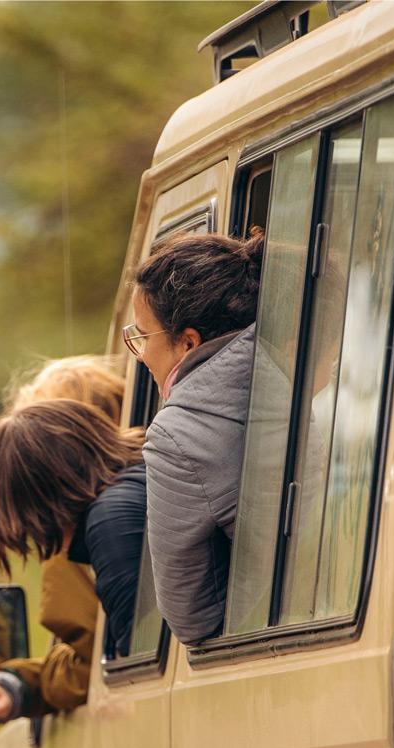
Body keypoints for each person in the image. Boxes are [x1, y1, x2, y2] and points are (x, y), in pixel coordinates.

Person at [0, 397, 145, 727]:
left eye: (38, 537)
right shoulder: (156, 479)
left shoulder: (110, 526)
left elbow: (132, 663)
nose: (55, 551)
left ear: (45, 510)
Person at [126, 231, 263, 645]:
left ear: (187, 342)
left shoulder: (176, 435)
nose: (142, 355)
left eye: (143, 336)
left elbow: (192, 616)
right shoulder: (302, 364)